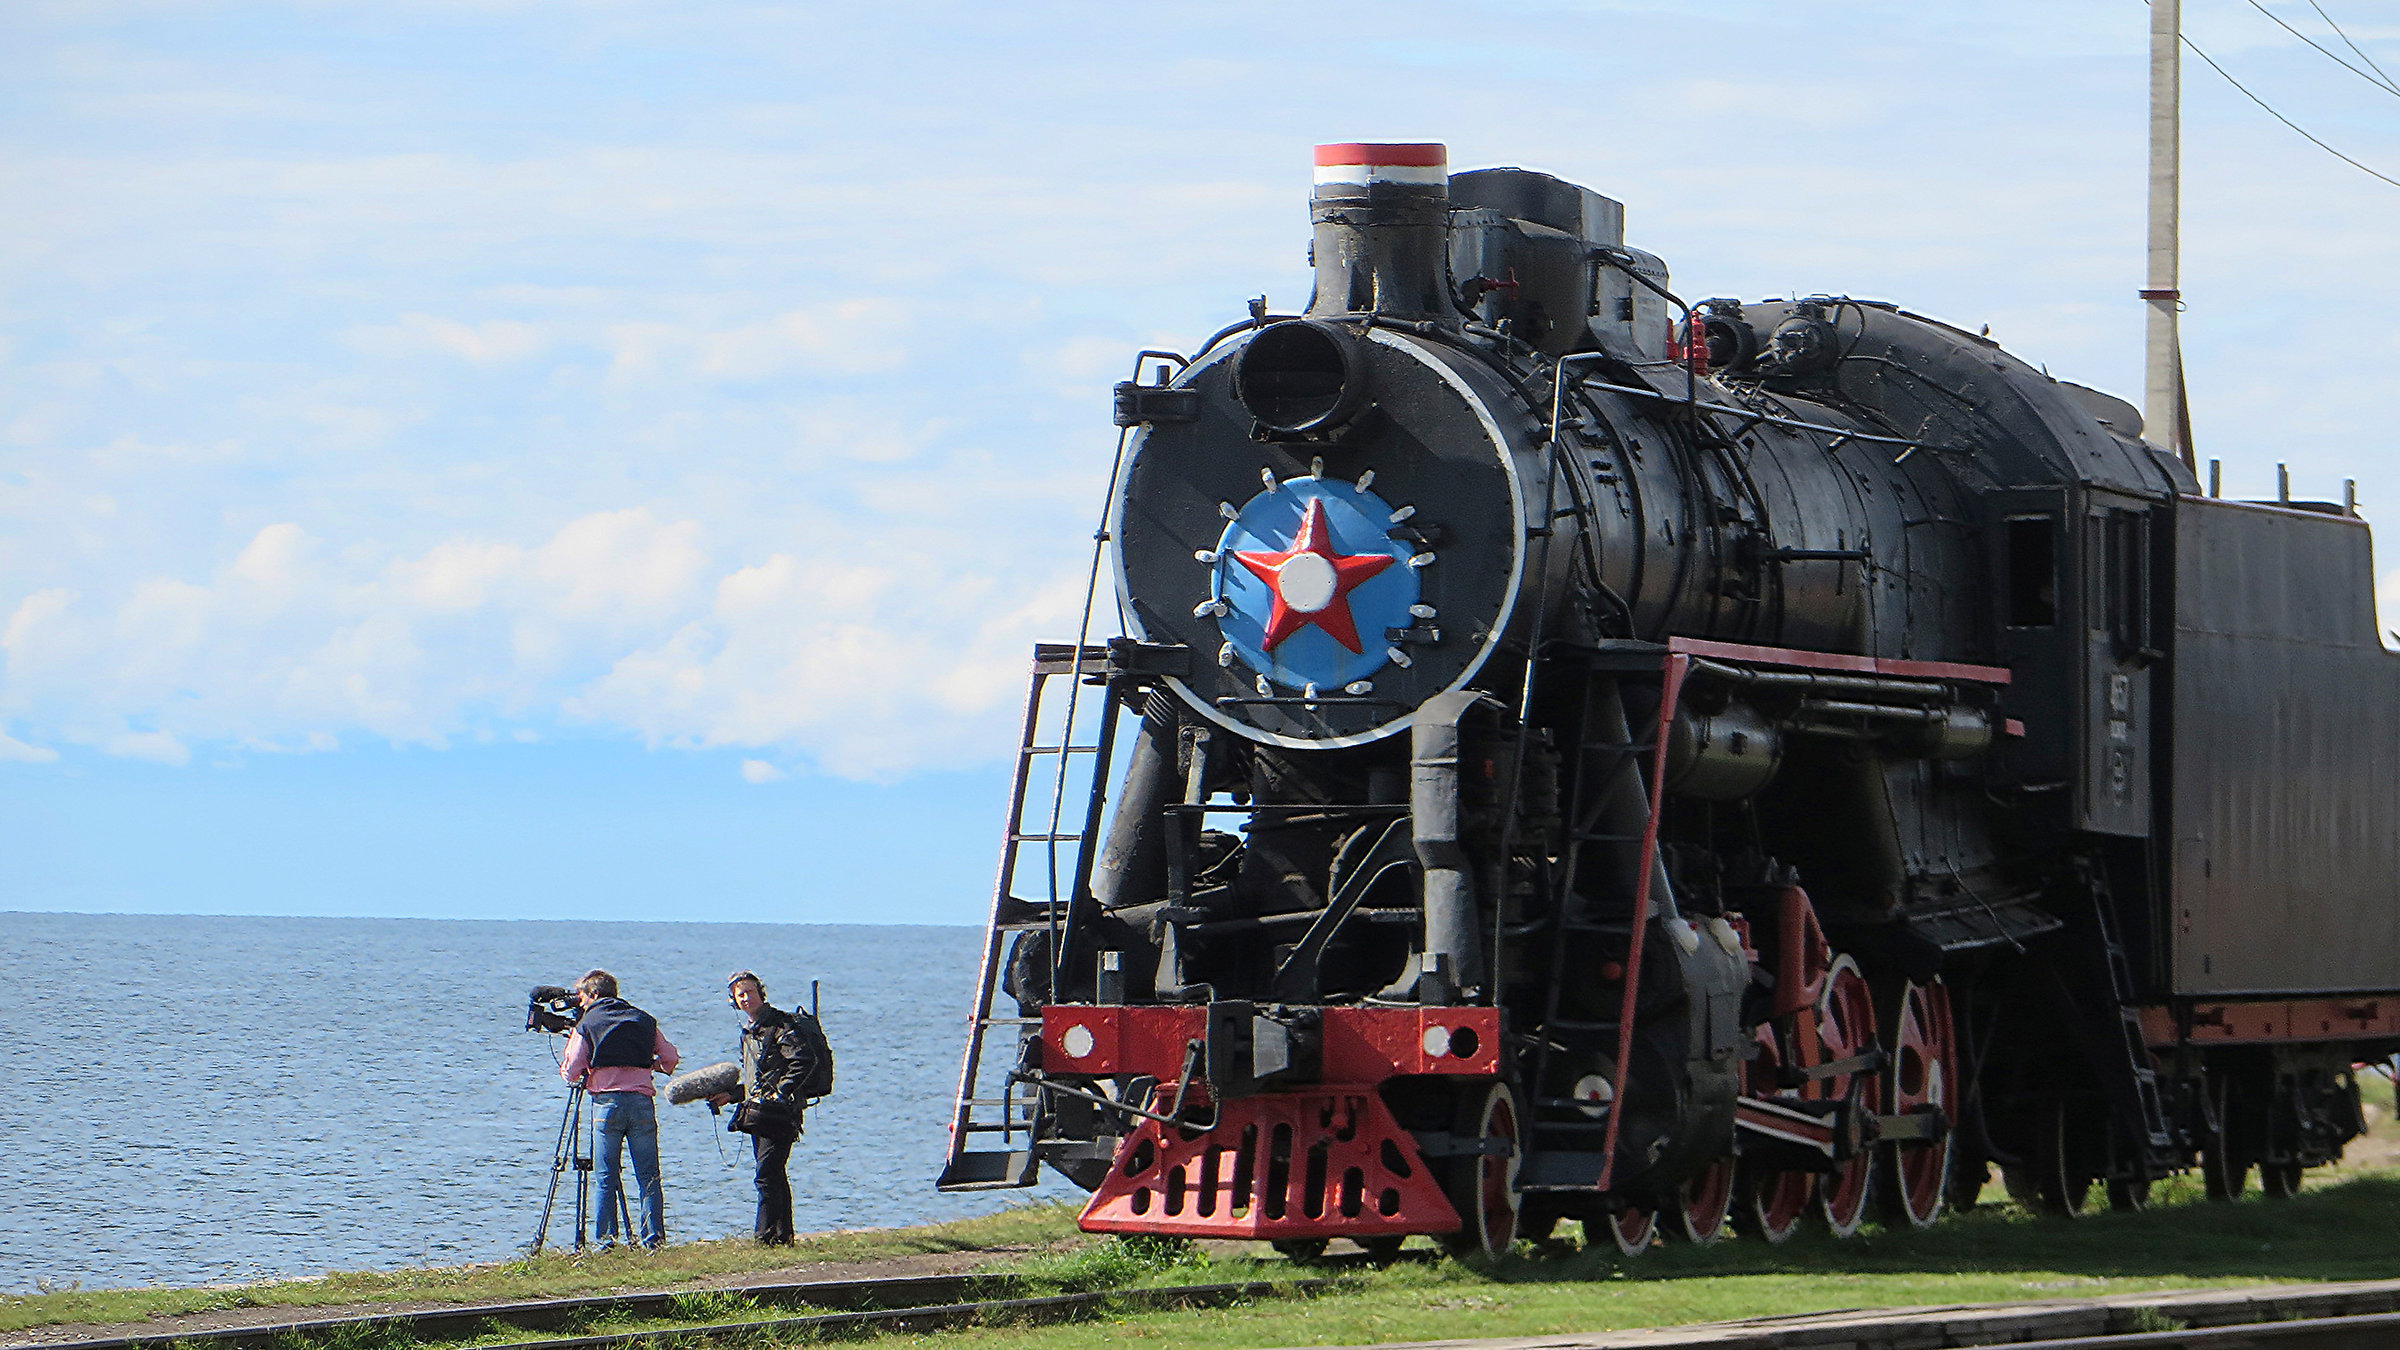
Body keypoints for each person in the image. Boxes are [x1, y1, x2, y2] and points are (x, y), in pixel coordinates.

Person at [559, 969, 679, 1248]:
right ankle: (653, 1238)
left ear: (594, 995)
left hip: (606, 1104)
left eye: (582, 998)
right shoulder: (643, 1019)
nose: (581, 1004)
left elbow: (572, 1070)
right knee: (648, 1175)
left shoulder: (588, 1023)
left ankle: (606, 1240)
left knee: (605, 1176)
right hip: (641, 1102)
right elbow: (670, 1058)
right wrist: (650, 1065)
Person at [711, 970, 823, 1245]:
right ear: (733, 1001)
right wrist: (731, 1095)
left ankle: (764, 1237)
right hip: (759, 1113)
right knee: (772, 1174)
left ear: (761, 993)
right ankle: (782, 1236)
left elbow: (804, 1061)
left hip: (781, 1113)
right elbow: (756, 1078)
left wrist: (781, 1093)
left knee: (766, 1174)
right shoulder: (749, 1032)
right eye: (740, 995)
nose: (746, 998)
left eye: (750, 991)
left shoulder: (781, 1026)